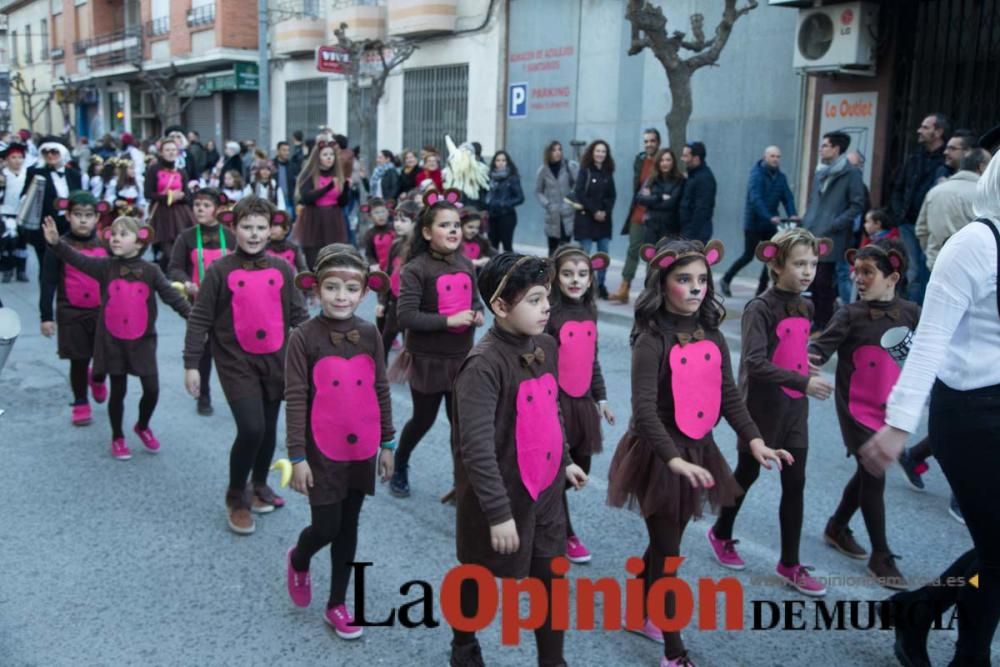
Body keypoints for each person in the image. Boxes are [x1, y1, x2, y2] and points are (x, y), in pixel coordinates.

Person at [606, 238, 788, 666]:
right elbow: (645, 412)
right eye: (683, 279)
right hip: (658, 453)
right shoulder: (651, 340)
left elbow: (728, 395)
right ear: (662, 283)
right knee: (668, 554)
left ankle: (637, 608)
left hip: (697, 449)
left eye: (702, 280)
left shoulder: (711, 336)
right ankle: (675, 650)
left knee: (666, 541)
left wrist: (756, 439)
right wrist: (672, 460)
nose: (695, 288)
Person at [859, 143, 1000, 667]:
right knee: (998, 552)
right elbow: (931, 341)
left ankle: (919, 610)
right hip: (967, 414)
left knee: (996, 548)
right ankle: (969, 657)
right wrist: (899, 424)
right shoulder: (975, 245)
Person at [449, 252, 588, 667]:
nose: (546, 307)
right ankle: (463, 640)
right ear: (500, 306)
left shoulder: (545, 345)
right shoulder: (483, 365)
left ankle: (553, 661)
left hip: (545, 492)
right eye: (533, 300)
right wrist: (497, 514)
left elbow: (551, 410)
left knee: (551, 579)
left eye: (547, 298)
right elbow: (474, 449)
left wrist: (564, 460)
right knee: (482, 577)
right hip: (499, 497)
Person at [708, 229, 833, 596]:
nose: (808, 271)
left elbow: (790, 349)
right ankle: (720, 532)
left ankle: (789, 563)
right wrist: (803, 381)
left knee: (795, 484)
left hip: (795, 409)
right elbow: (755, 362)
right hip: (761, 409)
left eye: (812, 263)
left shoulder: (806, 306)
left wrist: (806, 369)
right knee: (746, 475)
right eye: (799, 264)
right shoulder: (759, 308)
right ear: (776, 265)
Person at [284, 244, 394, 640]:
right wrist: (297, 456)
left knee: (349, 526)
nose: (341, 296)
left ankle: (337, 604)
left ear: (364, 292)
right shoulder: (303, 338)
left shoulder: (369, 334)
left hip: (362, 448)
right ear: (315, 290)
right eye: (332, 287)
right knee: (326, 527)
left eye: (351, 289)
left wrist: (388, 443)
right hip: (320, 450)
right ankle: (299, 557)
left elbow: (381, 388)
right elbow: (295, 397)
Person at [182, 196, 309, 535]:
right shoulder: (220, 270)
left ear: (271, 230)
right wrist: (192, 363)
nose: (254, 234)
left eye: (261, 228)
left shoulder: (283, 268)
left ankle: (259, 483)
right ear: (233, 228)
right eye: (247, 227)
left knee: (268, 429)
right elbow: (200, 319)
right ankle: (236, 495)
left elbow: (300, 316)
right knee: (251, 428)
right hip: (236, 361)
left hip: (275, 358)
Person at [809, 241, 918, 590]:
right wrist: (801, 368)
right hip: (856, 408)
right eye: (857, 271)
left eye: (868, 272)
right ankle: (880, 556)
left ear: (893, 277)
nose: (858, 278)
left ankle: (837, 526)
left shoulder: (912, 313)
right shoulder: (849, 314)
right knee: (874, 472)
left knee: (869, 467)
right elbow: (818, 350)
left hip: (890, 410)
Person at [42, 214, 191, 460]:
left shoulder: (151, 271)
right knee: (118, 391)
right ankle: (118, 437)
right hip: (112, 341)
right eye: (113, 234)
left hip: (142, 341)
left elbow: (173, 298)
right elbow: (76, 259)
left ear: (140, 240)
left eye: (123, 234)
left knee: (152, 389)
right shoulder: (105, 267)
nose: (116, 239)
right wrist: (57, 243)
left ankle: (142, 426)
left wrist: (197, 319)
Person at [387, 190, 485, 498]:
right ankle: (400, 461)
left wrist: (478, 312)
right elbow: (405, 316)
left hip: (462, 359)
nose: (454, 230)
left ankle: (462, 483)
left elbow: (474, 298)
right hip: (428, 359)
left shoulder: (467, 264)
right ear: (428, 232)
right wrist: (448, 321)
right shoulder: (415, 268)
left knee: (461, 426)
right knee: (423, 419)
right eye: (445, 225)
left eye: (456, 224)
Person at [547, 244, 614, 564]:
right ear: (556, 277)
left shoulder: (590, 311)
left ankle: (541, 502)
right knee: (560, 467)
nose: (575, 280)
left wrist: (601, 397)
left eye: (583, 274)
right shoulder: (550, 313)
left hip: (583, 403)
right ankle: (564, 532)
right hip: (555, 403)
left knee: (582, 467)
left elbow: (592, 359)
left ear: (591, 278)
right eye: (568, 274)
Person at [38, 192, 109, 426]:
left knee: (102, 357)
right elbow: (47, 281)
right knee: (78, 360)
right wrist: (46, 316)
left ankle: (97, 378)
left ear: (97, 218)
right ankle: (80, 402)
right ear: (68, 216)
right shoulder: (59, 245)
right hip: (71, 312)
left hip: (102, 311)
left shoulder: (106, 244)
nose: (83, 220)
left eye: (88, 216)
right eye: (77, 215)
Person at [167, 187, 236, 416]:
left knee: (231, 354)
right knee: (203, 352)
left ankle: (239, 396)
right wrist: (186, 282)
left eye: (206, 206)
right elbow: (174, 268)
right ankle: (203, 395)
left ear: (217, 208)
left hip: (229, 305)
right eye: (197, 205)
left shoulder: (231, 236)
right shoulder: (186, 237)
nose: (200, 209)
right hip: (201, 304)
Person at [803, 131, 866, 330]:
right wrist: (807, 222)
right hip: (813, 232)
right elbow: (813, 202)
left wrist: (835, 224)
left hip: (833, 236)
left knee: (823, 281)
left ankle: (824, 322)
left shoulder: (851, 173)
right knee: (812, 280)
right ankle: (817, 321)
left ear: (836, 148)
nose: (821, 149)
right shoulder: (821, 172)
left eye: (825, 145)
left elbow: (857, 205)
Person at [720, 146, 799, 298]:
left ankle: (761, 289)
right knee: (749, 255)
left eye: (778, 156)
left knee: (771, 256)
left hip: (771, 224)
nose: (775, 159)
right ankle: (726, 279)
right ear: (765, 157)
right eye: (772, 156)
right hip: (754, 223)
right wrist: (769, 216)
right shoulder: (756, 175)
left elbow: (787, 197)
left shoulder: (781, 177)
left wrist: (793, 214)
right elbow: (756, 199)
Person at [890, 112, 950, 305]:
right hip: (908, 223)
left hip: (932, 227)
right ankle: (913, 314)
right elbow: (898, 187)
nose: (920, 130)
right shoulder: (914, 158)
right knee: (913, 272)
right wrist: (900, 215)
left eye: (925, 127)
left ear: (938, 132)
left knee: (931, 270)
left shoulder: (946, 162)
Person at [623, 147, 687, 304]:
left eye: (668, 160)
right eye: (662, 160)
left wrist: (653, 200)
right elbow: (640, 198)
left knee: (669, 263)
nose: (665, 163)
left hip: (670, 228)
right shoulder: (651, 179)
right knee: (651, 263)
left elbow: (672, 203)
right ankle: (651, 295)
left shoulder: (679, 180)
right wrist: (659, 197)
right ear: (658, 162)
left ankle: (668, 296)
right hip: (652, 227)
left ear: (673, 162)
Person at [916, 147, 990, 270]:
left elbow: (921, 230)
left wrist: (932, 253)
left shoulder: (935, 191)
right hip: (973, 267)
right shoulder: (985, 195)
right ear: (981, 166)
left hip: (936, 264)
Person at [21, 136, 84, 278]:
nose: (50, 155)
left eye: (54, 151)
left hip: (69, 226)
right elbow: (25, 198)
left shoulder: (74, 175)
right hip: (45, 225)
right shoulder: (35, 173)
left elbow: (81, 200)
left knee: (69, 268)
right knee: (46, 270)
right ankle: (46, 300)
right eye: (46, 152)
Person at [613, 128, 661, 303]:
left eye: (652, 141)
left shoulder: (662, 161)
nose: (649, 144)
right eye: (646, 141)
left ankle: (651, 291)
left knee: (651, 253)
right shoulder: (640, 161)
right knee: (633, 250)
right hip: (637, 212)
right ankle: (624, 287)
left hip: (654, 215)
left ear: (658, 142)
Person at [294, 138, 351, 269]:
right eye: (325, 155)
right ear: (318, 157)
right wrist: (328, 187)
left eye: (331, 155)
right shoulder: (309, 175)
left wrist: (346, 188)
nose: (329, 158)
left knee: (333, 256)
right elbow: (307, 197)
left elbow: (342, 203)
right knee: (313, 256)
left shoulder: (337, 175)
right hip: (313, 217)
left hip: (333, 217)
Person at [145, 137, 196, 272]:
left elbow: (187, 195)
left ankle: (172, 272)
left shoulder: (181, 171)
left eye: (173, 150)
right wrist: (167, 196)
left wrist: (181, 196)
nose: (171, 153)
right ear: (161, 152)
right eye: (167, 150)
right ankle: (171, 272)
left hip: (180, 213)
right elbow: (148, 194)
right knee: (167, 247)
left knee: (182, 244)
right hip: (162, 213)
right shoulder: (153, 169)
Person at [573, 139, 616, 299]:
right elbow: (580, 193)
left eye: (603, 151)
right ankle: (585, 287)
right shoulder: (585, 170)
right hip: (587, 220)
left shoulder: (608, 172)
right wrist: (595, 211)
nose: (600, 154)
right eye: (598, 151)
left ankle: (601, 285)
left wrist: (605, 211)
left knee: (603, 255)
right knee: (585, 256)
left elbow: (612, 195)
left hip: (604, 221)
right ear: (592, 152)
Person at [378, 199, 418, 359]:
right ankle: (380, 371)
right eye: (396, 220)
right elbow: (388, 274)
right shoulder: (395, 245)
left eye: (403, 220)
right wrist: (382, 301)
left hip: (413, 303)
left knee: (410, 342)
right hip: (395, 301)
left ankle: (412, 374)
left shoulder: (419, 249)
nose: (398, 224)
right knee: (386, 337)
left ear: (415, 222)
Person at [534, 140, 577, 256]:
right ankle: (551, 273)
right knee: (552, 251)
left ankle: (563, 273)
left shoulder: (569, 166)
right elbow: (538, 191)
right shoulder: (543, 170)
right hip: (552, 215)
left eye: (559, 149)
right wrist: (547, 204)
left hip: (567, 214)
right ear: (548, 152)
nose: (557, 152)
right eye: (554, 150)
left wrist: (570, 201)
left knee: (565, 250)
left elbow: (578, 186)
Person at [485, 150, 525, 253]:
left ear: (507, 162)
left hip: (506, 216)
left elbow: (520, 198)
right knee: (492, 247)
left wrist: (504, 204)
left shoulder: (512, 178)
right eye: (498, 160)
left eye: (503, 160)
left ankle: (509, 268)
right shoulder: (489, 177)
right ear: (494, 162)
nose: (501, 162)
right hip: (492, 216)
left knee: (507, 246)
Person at [0, 142, 29, 283]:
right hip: (5, 212)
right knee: (8, 241)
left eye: (20, 157)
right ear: (6, 159)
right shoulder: (3, 175)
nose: (17, 160)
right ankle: (7, 269)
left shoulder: (27, 174)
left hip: (22, 213)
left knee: (22, 243)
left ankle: (21, 270)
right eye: (13, 157)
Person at [679, 141, 717, 244]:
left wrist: (690, 235)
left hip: (695, 234)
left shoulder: (705, 179)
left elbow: (702, 210)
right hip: (688, 231)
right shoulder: (692, 175)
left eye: (686, 156)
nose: (682, 159)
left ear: (696, 158)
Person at [265, 207, 307, 274]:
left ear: (286, 229)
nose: (271, 229)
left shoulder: (293, 248)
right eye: (269, 225)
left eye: (275, 226)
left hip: (288, 283)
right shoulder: (264, 247)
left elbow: (302, 269)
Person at [360, 197, 395, 273]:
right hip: (381, 270)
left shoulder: (395, 228)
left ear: (388, 212)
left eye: (383, 211)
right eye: (376, 212)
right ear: (370, 216)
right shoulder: (370, 234)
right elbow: (369, 254)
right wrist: (373, 264)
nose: (381, 215)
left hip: (397, 267)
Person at [274, 141, 300, 222]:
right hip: (275, 199)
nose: (286, 152)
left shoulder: (293, 166)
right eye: (284, 150)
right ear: (278, 151)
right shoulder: (271, 165)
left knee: (289, 221)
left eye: (288, 150)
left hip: (289, 199)